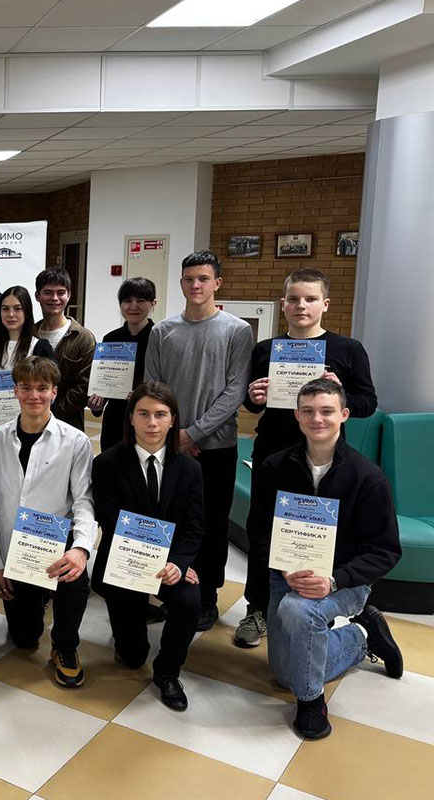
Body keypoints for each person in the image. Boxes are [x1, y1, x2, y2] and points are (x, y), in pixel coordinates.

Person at [248, 378, 402, 739]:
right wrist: (283, 567)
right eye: (308, 411)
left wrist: (333, 580)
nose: (317, 419)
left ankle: (311, 701)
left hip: (343, 579)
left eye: (327, 411)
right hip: (285, 575)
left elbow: (385, 550)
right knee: (284, 674)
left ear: (344, 415)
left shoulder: (368, 477)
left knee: (298, 612)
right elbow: (259, 531)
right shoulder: (274, 467)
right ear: (297, 416)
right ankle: (361, 636)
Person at [236, 268, 377, 648]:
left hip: (325, 458)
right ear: (283, 304)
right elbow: (252, 403)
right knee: (263, 529)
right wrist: (254, 396)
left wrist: (341, 390)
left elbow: (367, 402)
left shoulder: (348, 349)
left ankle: (319, 606)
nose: (302, 306)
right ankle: (257, 608)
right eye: (294, 299)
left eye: (310, 299)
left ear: (325, 304)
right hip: (273, 455)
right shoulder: (266, 349)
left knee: (317, 530)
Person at [146, 251, 253, 632]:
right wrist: (174, 434)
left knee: (210, 525)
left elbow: (235, 391)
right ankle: (170, 592)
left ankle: (207, 596)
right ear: (181, 283)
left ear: (217, 283)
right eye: (189, 278)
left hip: (216, 448)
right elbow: (153, 387)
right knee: (169, 519)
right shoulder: (162, 331)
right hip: (169, 445)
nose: (196, 285)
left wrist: (192, 433)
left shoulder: (237, 330)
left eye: (203, 279)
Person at [0, 356, 95, 688]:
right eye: (26, 388)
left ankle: (65, 645)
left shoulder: (75, 441)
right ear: (15, 391)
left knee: (75, 578)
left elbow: (84, 501)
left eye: (42, 388)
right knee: (24, 638)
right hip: (14, 553)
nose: (34, 395)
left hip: (56, 547)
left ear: (54, 392)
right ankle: (39, 598)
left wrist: (81, 549)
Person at [90, 382, 204, 710]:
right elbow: (110, 521)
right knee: (131, 657)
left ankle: (168, 672)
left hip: (168, 562)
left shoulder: (190, 469)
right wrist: (157, 557)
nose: (152, 423)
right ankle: (131, 625)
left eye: (160, 414)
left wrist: (179, 563)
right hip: (123, 561)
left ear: (172, 420)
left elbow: (194, 527)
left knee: (189, 599)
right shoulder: (108, 463)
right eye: (143, 414)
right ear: (130, 418)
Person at [87, 277, 157, 452]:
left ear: (152, 304)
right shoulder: (111, 339)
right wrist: (97, 404)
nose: (133, 306)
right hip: (115, 422)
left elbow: (166, 384)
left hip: (148, 421)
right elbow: (105, 382)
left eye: (140, 300)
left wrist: (142, 394)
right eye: (127, 301)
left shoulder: (159, 339)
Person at [0, 285, 54, 438]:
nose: (11, 314)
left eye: (17, 309)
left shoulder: (40, 347)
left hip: (31, 429)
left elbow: (48, 390)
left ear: (27, 311)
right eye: (5, 309)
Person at [33, 268, 95, 432]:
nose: (55, 298)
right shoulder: (29, 334)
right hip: (31, 422)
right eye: (48, 292)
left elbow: (83, 387)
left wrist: (50, 414)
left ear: (69, 295)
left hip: (69, 426)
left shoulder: (83, 338)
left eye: (61, 292)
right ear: (37, 295)